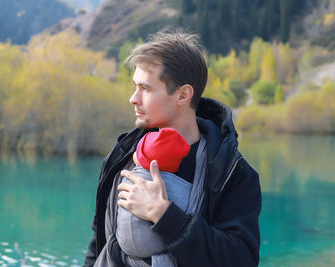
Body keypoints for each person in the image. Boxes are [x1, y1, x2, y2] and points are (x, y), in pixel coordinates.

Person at [84, 29, 261, 267]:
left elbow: (240, 259)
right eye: (135, 86)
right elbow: (99, 242)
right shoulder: (123, 155)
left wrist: (165, 216)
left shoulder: (232, 173)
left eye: (145, 89)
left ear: (183, 95)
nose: (133, 98)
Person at [116, 128, 192, 267]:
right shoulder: (188, 188)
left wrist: (162, 212)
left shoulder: (125, 174)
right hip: (159, 251)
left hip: (122, 248)